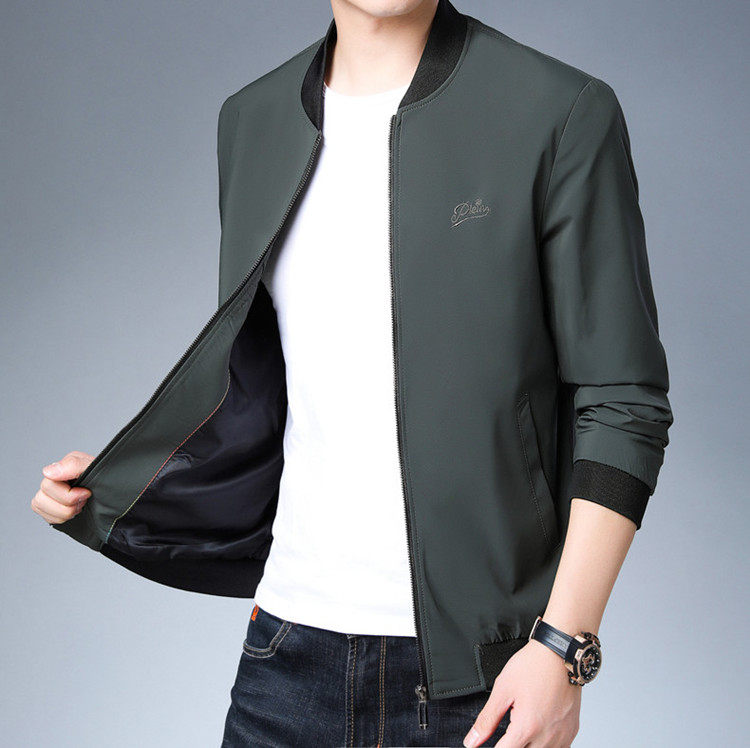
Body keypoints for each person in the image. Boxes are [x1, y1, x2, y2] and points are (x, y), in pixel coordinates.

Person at [32, 1, 673, 745]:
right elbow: (271, 387)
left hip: (484, 676)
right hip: (285, 655)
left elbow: (623, 402)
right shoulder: (251, 120)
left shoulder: (559, 110)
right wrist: (124, 488)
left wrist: (563, 649)